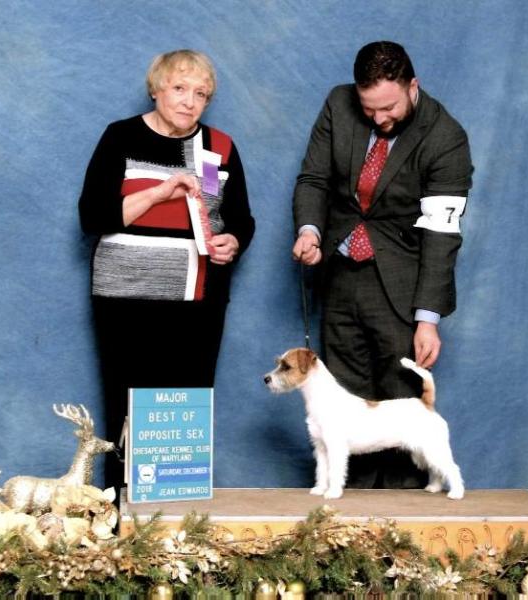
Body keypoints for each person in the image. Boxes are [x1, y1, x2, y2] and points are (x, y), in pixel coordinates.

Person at [292, 41, 473, 489]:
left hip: (400, 283)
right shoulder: (338, 104)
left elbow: (441, 233)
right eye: (367, 107)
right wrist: (310, 230)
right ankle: (348, 516)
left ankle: (401, 524)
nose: (378, 118)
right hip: (338, 275)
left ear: (414, 86)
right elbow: (314, 177)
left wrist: (427, 318)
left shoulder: (446, 138)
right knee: (342, 407)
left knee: (400, 406)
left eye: (388, 106)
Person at [79, 49, 255, 496]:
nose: (189, 101)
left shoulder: (220, 148)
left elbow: (236, 219)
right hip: (125, 298)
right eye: (179, 89)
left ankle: (175, 525)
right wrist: (159, 193)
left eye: (201, 94)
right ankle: (122, 517)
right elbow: (94, 216)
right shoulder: (120, 137)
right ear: (156, 89)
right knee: (128, 406)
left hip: (197, 300)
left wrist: (232, 241)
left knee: (185, 411)